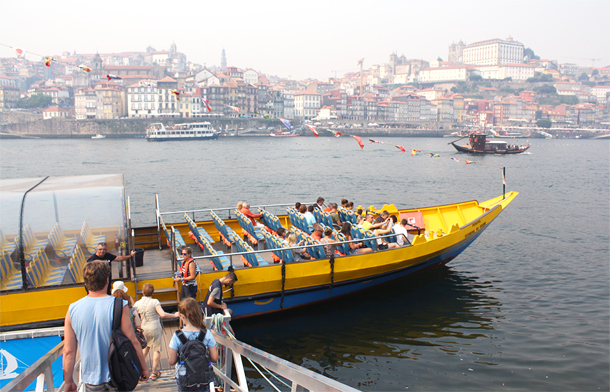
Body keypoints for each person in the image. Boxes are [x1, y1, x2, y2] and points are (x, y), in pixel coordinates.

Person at [63, 261, 149, 392]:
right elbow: (133, 341)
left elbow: (69, 352)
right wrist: (144, 368)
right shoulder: (120, 305)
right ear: (107, 280)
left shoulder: (72, 310)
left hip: (91, 380)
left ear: (86, 282)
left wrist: (68, 381)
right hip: (119, 374)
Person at [169, 298, 219, 392]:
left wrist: (181, 356)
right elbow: (214, 358)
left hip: (184, 377)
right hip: (203, 376)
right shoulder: (206, 333)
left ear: (182, 316)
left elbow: (171, 361)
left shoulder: (177, 335)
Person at [134, 283, 179, 380]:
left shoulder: (137, 303)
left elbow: (133, 313)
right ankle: (154, 371)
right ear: (153, 292)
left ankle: (139, 367)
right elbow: (162, 314)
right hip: (154, 327)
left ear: (142, 292)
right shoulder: (155, 302)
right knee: (156, 349)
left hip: (143, 327)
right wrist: (174, 315)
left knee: (145, 347)